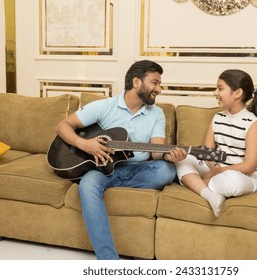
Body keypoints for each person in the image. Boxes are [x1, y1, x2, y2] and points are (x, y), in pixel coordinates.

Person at [55, 60, 185, 259]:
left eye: (159, 84)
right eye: (155, 83)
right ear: (136, 82)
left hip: (137, 169)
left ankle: (113, 185)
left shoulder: (157, 114)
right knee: (88, 185)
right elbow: (63, 126)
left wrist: (169, 154)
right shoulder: (104, 106)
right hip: (101, 170)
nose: (159, 89)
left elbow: (156, 151)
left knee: (167, 170)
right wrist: (84, 144)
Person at [174, 69, 257, 217]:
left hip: (244, 176)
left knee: (232, 181)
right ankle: (211, 195)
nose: (215, 93)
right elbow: (207, 151)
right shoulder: (217, 117)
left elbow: (249, 166)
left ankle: (197, 184)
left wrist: (216, 173)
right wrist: (213, 166)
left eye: (220, 88)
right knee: (183, 159)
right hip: (217, 170)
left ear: (237, 93)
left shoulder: (253, 124)